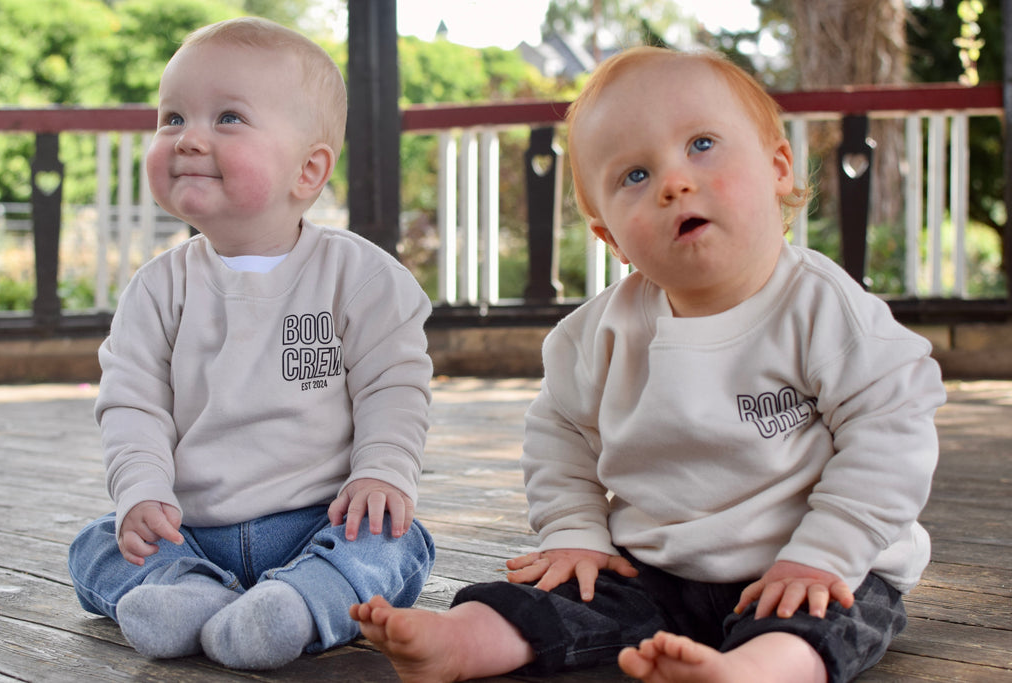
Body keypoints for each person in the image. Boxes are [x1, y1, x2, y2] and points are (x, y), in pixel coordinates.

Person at [350, 46, 945, 683]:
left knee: (825, 620)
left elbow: (892, 430)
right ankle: (464, 641)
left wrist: (824, 555)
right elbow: (559, 438)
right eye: (634, 176)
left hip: (812, 559)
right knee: (568, 595)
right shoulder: (597, 335)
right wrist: (576, 531)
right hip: (656, 569)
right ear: (610, 236)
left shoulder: (824, 310)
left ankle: (753, 671)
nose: (673, 182)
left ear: (778, 167)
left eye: (703, 144)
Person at [67, 17, 435, 671]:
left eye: (227, 118)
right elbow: (132, 404)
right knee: (95, 544)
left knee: (398, 539)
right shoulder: (158, 290)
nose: (187, 140)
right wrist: (143, 491)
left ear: (308, 169)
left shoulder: (361, 278)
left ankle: (295, 604)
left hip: (321, 520)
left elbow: (393, 385)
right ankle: (184, 591)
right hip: (188, 527)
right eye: (172, 117)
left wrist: (381, 471)